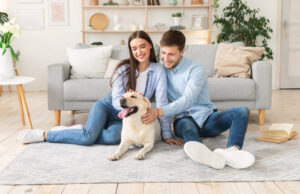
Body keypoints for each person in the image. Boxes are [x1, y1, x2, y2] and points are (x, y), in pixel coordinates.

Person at [18, 31, 182, 146]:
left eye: (143, 46)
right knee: (87, 139)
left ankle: (82, 130)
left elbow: (161, 101)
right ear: (131, 51)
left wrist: (167, 134)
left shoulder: (158, 70)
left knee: (113, 138)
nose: (139, 51)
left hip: (128, 116)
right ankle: (45, 135)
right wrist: (128, 104)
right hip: (110, 107)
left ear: (150, 47)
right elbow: (117, 100)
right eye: (134, 48)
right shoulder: (123, 69)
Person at [142, 30, 255, 169]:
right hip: (183, 119)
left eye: (171, 54)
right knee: (188, 129)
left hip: (207, 118)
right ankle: (203, 153)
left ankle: (232, 152)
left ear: (182, 51)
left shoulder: (195, 68)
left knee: (241, 111)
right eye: (163, 53)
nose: (165, 58)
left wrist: (158, 112)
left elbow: (188, 100)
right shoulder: (160, 70)